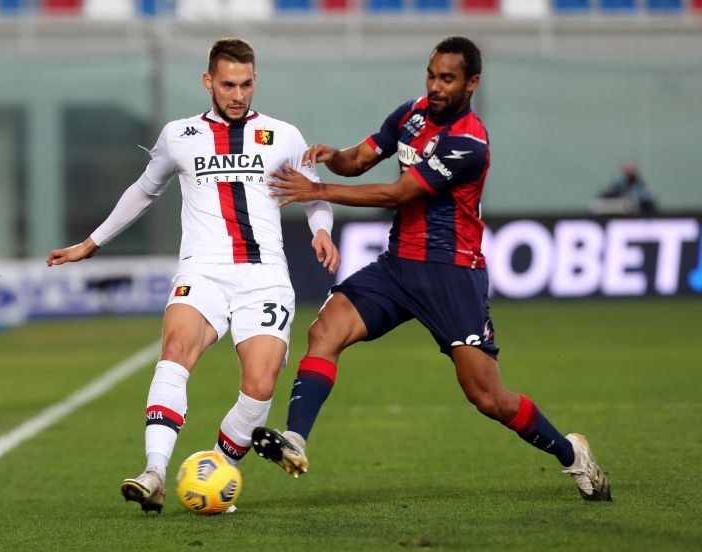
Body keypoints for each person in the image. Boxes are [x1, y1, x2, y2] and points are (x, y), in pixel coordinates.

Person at [252, 36, 611, 501]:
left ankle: (572, 455)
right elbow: (360, 160)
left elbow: (399, 194)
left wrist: (317, 192)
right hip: (399, 267)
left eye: (448, 78)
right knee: (325, 331)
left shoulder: (468, 143)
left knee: (488, 398)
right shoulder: (412, 113)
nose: (436, 86)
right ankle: (295, 439)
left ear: (471, 82)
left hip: (451, 274)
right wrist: (332, 157)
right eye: (431, 74)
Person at [47, 38, 340, 514]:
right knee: (176, 350)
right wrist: (91, 243)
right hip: (202, 270)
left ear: (255, 81)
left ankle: (217, 469)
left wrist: (321, 230)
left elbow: (313, 195)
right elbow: (143, 191)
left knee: (261, 383)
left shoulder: (283, 135)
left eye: (246, 84)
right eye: (227, 84)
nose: (238, 94)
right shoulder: (178, 135)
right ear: (208, 81)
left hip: (264, 275)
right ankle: (156, 472)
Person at [591, 161, 657, 215]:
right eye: (627, 170)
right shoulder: (614, 185)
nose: (630, 172)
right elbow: (600, 200)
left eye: (632, 169)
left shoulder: (641, 186)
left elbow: (650, 202)